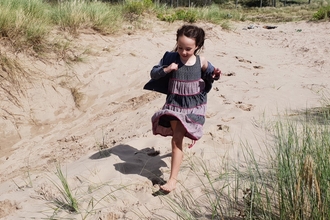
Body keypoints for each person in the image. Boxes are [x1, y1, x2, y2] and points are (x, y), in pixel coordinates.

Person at [144, 24, 221, 192]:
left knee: (181, 135)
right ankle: (172, 180)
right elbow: (154, 73)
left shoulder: (202, 61)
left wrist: (216, 74)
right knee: (177, 138)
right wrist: (167, 69)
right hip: (174, 104)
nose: (183, 52)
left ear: (197, 47)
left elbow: (211, 74)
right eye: (180, 47)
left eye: (188, 49)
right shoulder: (171, 58)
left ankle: (188, 134)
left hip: (193, 106)